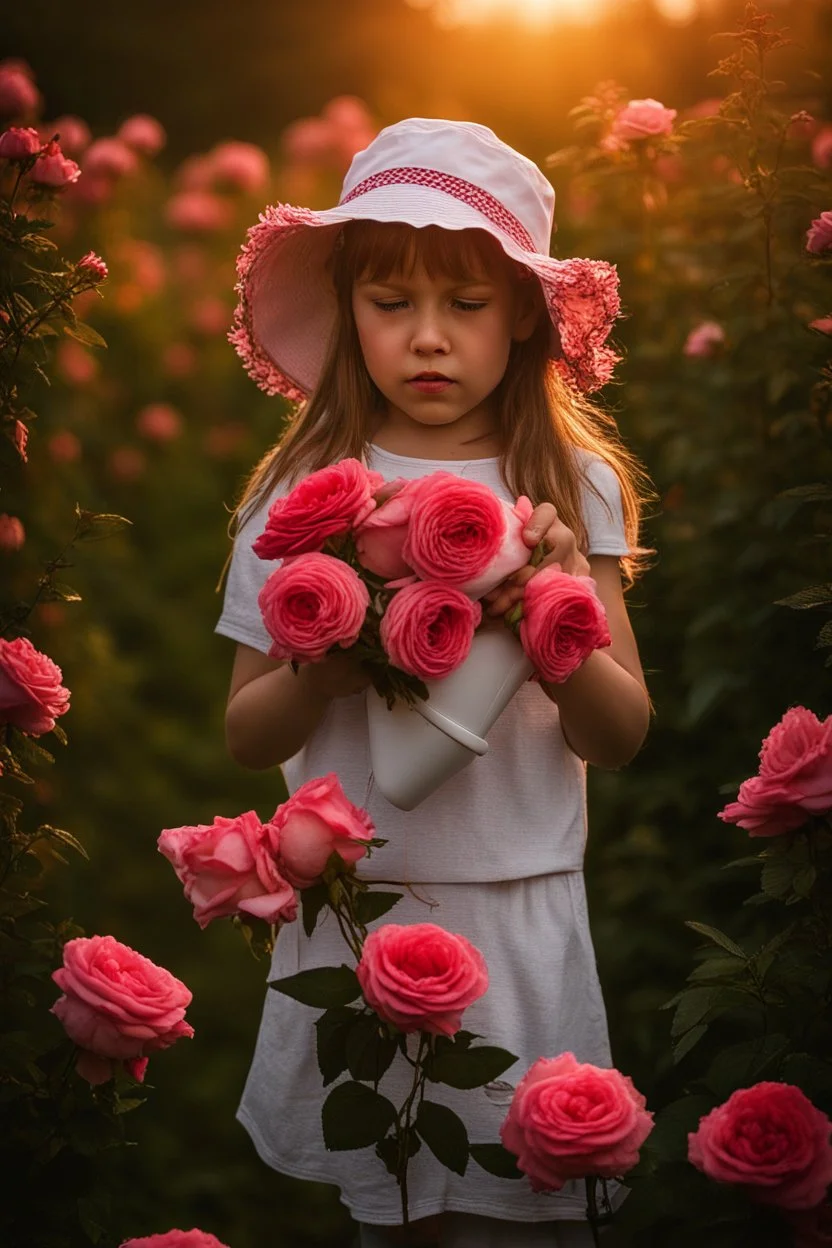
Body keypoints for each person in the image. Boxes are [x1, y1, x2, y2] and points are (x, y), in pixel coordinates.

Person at [216, 117, 652, 1248]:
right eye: (391, 302)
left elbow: (619, 734)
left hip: (517, 906)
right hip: (364, 916)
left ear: (521, 313)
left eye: (463, 306)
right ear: (349, 305)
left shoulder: (571, 486)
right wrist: (326, 654)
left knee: (525, 1217)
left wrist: (559, 614)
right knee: (393, 1221)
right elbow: (245, 734)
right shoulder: (304, 494)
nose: (426, 339)